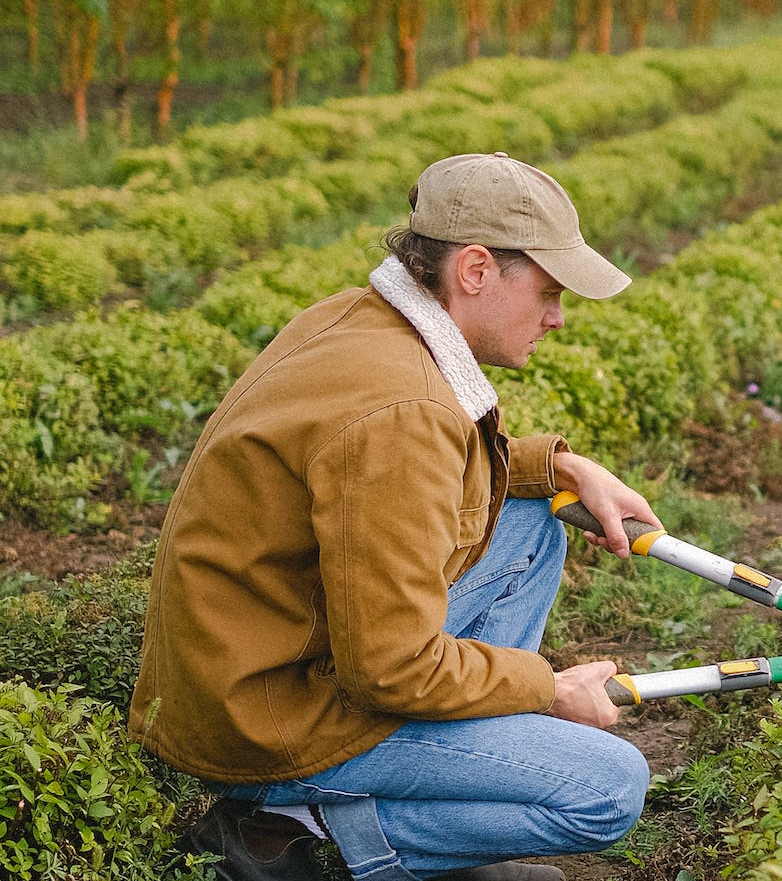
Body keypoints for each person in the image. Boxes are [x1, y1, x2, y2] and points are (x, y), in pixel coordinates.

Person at [129, 151, 659, 880]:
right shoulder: (402, 412)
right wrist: (545, 687)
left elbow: (415, 480)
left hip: (257, 662)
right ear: (475, 270)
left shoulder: (361, 319)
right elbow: (392, 669)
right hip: (272, 723)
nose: (558, 317)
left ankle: (428, 819)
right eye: (549, 289)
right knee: (607, 786)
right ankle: (291, 831)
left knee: (531, 527)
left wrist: (560, 467)